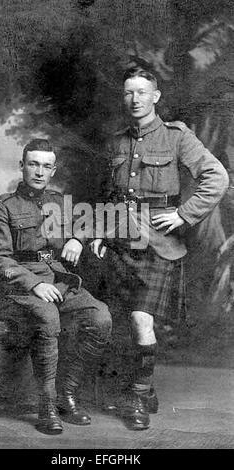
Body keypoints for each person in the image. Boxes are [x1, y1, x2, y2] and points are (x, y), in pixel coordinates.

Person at [91, 67, 229, 431]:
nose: (134, 100)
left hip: (158, 243)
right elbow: (110, 196)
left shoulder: (177, 136)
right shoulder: (116, 142)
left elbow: (217, 177)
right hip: (120, 241)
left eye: (141, 92)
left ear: (155, 97)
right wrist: (99, 233)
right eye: (127, 93)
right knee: (119, 320)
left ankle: (137, 397)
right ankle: (144, 385)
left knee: (141, 320)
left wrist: (184, 215)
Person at [0, 138, 112, 435]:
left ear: (53, 170)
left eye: (46, 166)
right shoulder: (4, 206)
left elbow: (85, 222)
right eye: (33, 164)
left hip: (56, 278)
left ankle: (67, 395)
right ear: (22, 166)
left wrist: (76, 239)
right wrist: (33, 285)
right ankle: (47, 405)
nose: (39, 172)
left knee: (100, 317)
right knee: (48, 316)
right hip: (18, 286)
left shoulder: (58, 201)